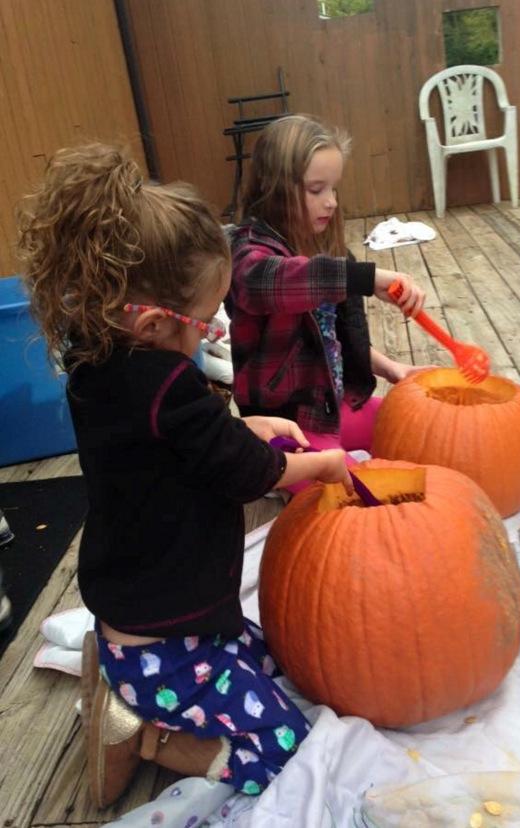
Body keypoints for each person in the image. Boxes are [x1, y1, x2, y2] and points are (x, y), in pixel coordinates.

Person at [17, 143, 354, 808]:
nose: (213, 331)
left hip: (153, 613)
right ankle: (152, 739)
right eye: (205, 320)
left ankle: (125, 690)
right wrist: (319, 464)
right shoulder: (166, 381)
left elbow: (177, 441)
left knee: (281, 663)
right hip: (167, 649)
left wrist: (240, 425)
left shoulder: (99, 363)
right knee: (285, 751)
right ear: (148, 319)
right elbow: (243, 472)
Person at [227, 114, 429, 461]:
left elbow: (329, 342)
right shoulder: (249, 253)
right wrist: (365, 277)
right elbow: (274, 281)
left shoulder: (323, 248)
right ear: (275, 187)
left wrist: (390, 368)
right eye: (316, 189)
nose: (332, 201)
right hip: (284, 427)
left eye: (333, 188)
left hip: (328, 410)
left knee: (420, 430)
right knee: (357, 495)